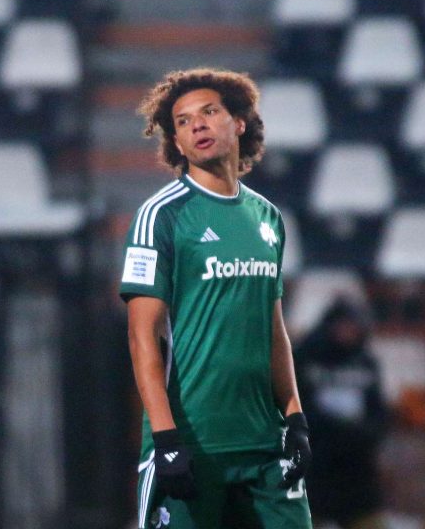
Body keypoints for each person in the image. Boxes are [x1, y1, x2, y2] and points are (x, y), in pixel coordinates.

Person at [119, 68, 312, 529]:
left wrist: (295, 417)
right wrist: (166, 437)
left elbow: (273, 330)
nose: (197, 126)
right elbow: (142, 337)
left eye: (208, 112)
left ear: (239, 122)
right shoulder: (160, 216)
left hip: (265, 446)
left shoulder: (267, 218)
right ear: (176, 143)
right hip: (192, 444)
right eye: (183, 122)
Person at [295, 298, 387, 529]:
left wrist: (366, 433)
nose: (349, 333)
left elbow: (377, 411)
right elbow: (296, 409)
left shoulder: (365, 363)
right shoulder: (305, 359)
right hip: (315, 462)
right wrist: (332, 428)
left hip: (357, 467)